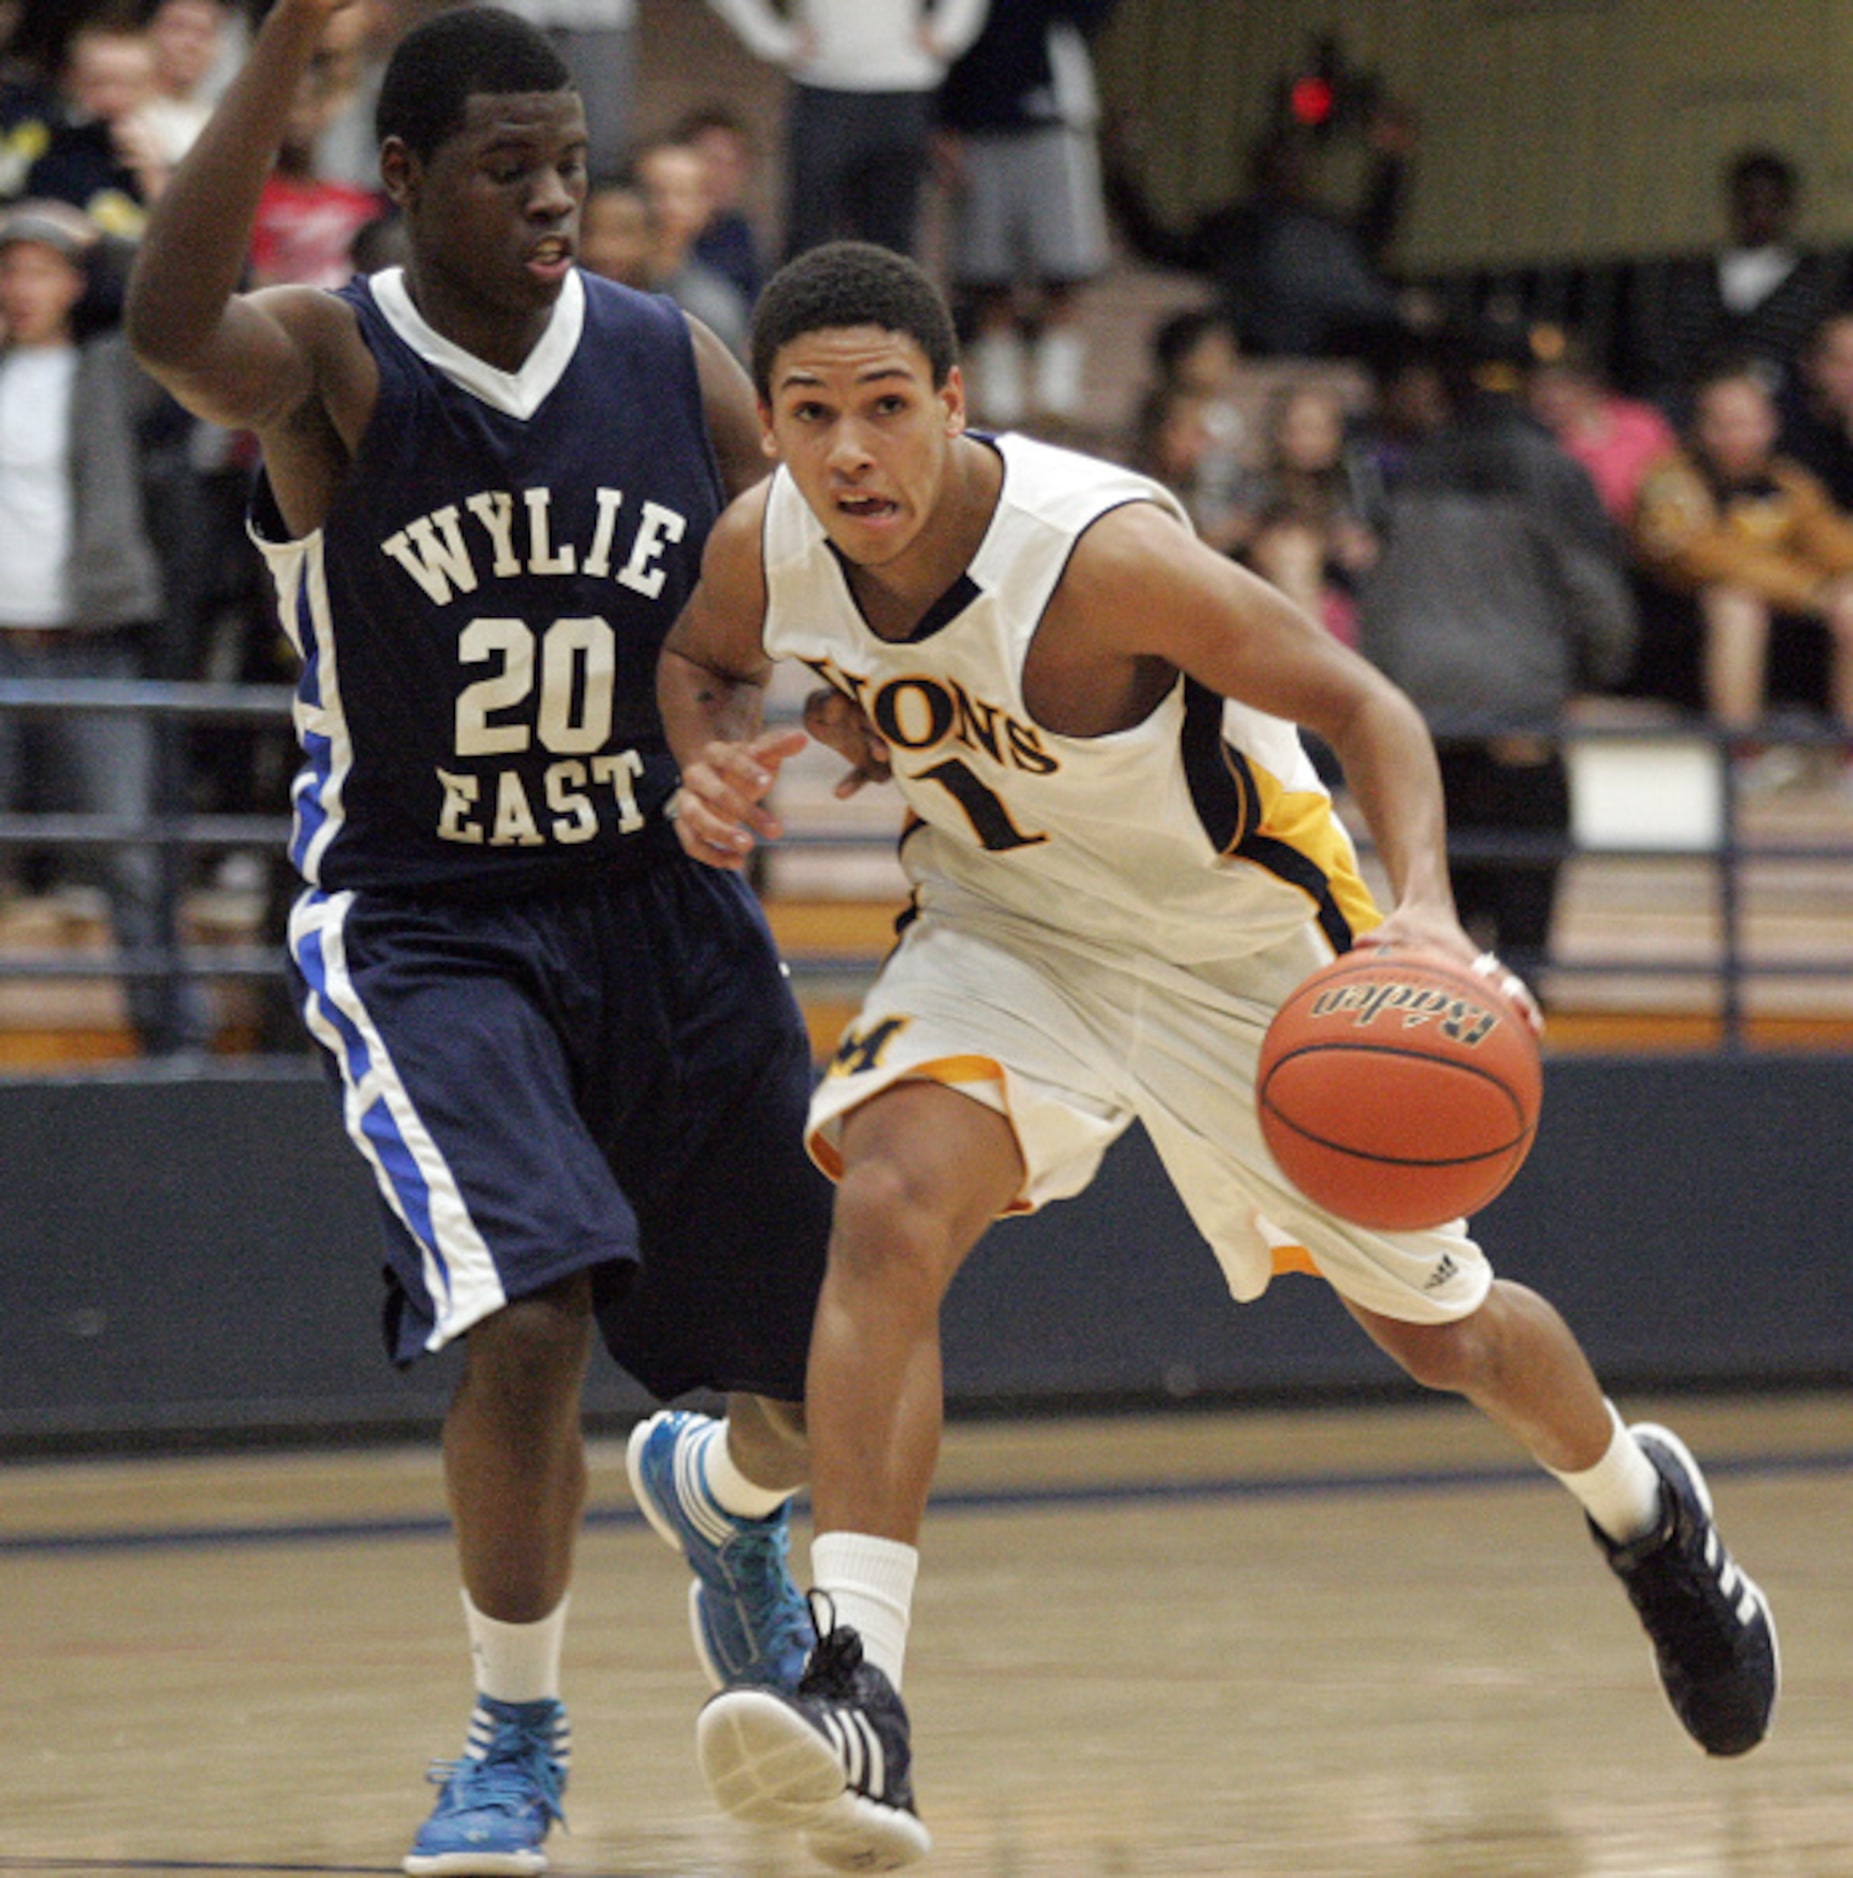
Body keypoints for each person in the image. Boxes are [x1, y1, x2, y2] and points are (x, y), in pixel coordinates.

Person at [656, 240, 1779, 1870]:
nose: (848, 450)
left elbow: (1365, 702)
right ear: (769, 424)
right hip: (1008, 928)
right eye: (810, 414)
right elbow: (693, 657)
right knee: (889, 1203)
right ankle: (856, 1693)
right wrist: (705, 760)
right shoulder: (768, 543)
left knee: (1442, 1334)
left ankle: (1641, 1505)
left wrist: (1424, 914)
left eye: (885, 407)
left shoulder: (1096, 553)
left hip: (1245, 956)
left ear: (952, 405)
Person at [124, 6, 835, 1873]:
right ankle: (512, 1737)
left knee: (814, 1370)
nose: (548, 198)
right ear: (407, 176)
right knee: (524, 1318)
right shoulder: (331, 361)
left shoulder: (676, 365)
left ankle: (724, 1502)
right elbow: (164, 328)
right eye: (507, 167)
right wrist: (286, 40)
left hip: (664, 907)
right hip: (433, 918)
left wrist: (767, 737)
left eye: (571, 167)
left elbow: (785, 609)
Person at [1357, 324, 1637, 979]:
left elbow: (1381, 601)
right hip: (1520, 721)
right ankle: (1522, 1041)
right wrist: (1589, 674)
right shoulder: (1556, 472)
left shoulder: (1411, 469)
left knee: (1439, 924)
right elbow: (1597, 601)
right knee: (1523, 921)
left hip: (1422, 723)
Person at [0, 196, 206, 1059]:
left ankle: (176, 1048)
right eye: (9, 269)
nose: (19, 286)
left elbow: (181, 302)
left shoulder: (109, 369)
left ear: (74, 283)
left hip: (93, 644)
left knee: (132, 852)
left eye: (41, 269)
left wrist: (101, 239)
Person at [1632, 355, 1853, 762]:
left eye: (1748, 423)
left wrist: (1834, 588)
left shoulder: (1788, 482)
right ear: (1700, 428)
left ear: (1771, 425)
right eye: (1723, 424)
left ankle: (1848, 755)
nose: (1736, 436)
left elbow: (1831, 543)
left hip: (1779, 620)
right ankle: (1741, 757)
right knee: (1736, 603)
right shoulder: (1668, 480)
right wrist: (1807, 590)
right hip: (1673, 632)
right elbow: (1701, 557)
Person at [1105, 104, 1416, 360]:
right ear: (1257, 168)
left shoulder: (1326, 223)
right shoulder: (1233, 225)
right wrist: (1117, 167)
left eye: (1296, 162)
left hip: (1347, 331)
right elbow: (1157, 244)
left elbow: (1374, 237)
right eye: (1279, 162)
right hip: (1270, 337)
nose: (1288, 171)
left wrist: (1392, 161)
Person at [937, 0, 1116, 430]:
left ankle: (1058, 394)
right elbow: (948, 36)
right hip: (979, 122)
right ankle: (1001, 399)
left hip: (1053, 119)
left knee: (1065, 267)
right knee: (988, 273)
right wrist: (944, 121)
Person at [703, 0, 991, 263]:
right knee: (808, 239)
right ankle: (803, 319)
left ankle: (888, 320)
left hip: (903, 84)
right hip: (824, 83)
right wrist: (774, 40)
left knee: (892, 246)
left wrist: (949, 33)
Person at [1627, 147, 1846, 422]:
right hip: (1696, 407)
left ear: (1789, 207)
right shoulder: (1692, 276)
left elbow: (1819, 359)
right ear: (1732, 205)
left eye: (1770, 204)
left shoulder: (1818, 281)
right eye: (1748, 204)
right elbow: (1667, 350)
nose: (1758, 214)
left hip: (1787, 412)